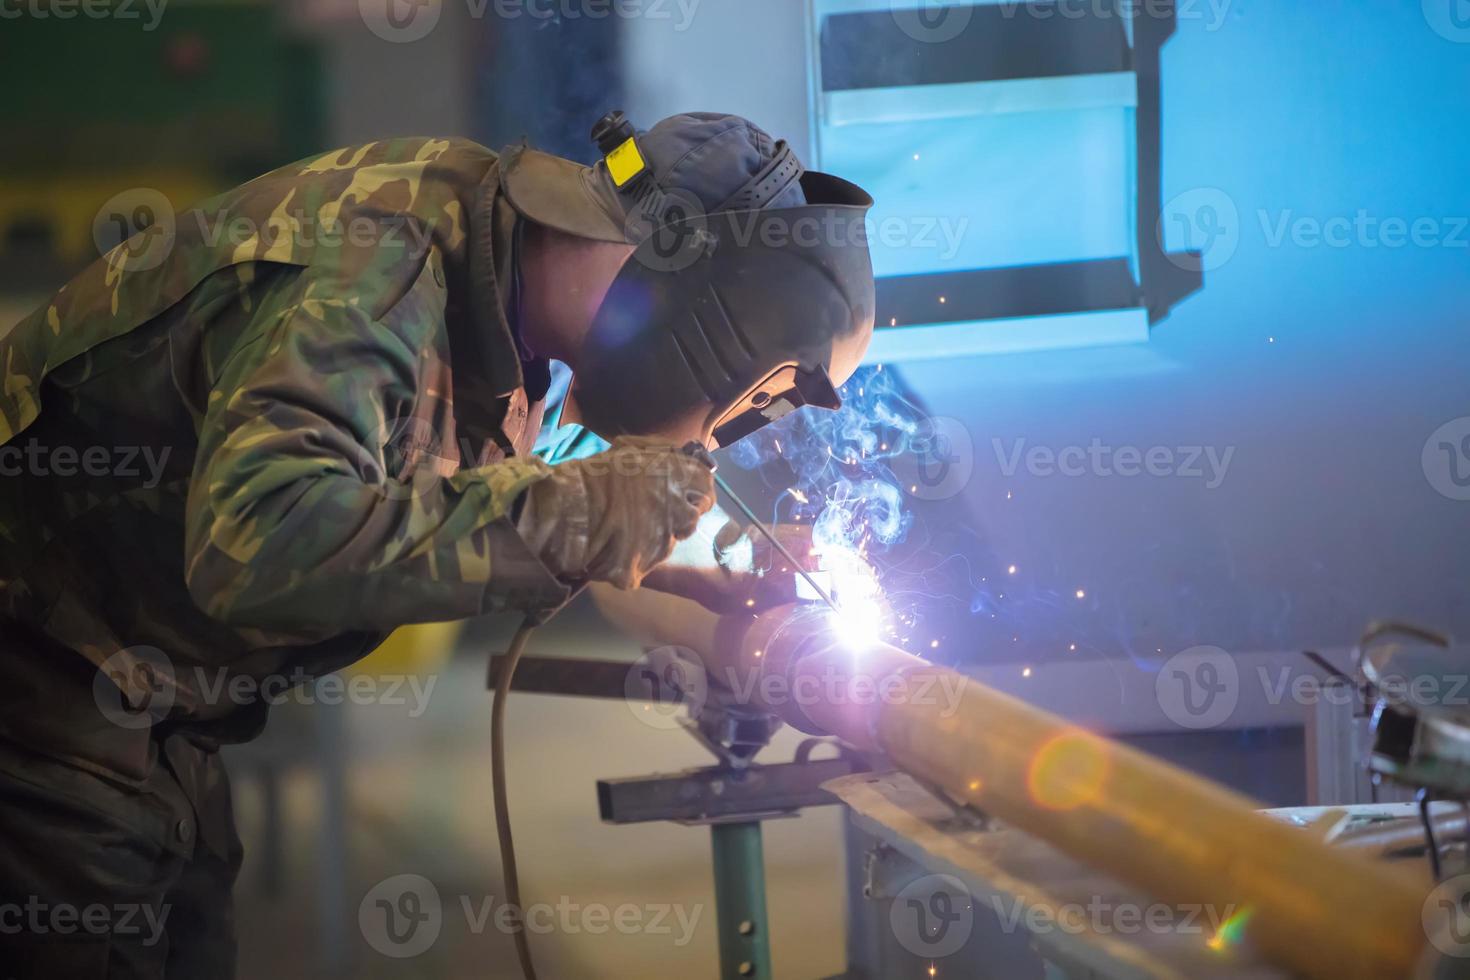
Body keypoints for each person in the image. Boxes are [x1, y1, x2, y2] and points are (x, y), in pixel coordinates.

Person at [0, 110, 874, 977]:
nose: (721, 431)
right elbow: (257, 540)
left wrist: (699, 558)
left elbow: (494, 472)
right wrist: (579, 515)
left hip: (149, 712)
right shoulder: (381, 269)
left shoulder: (501, 277)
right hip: (36, 690)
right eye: (752, 393)